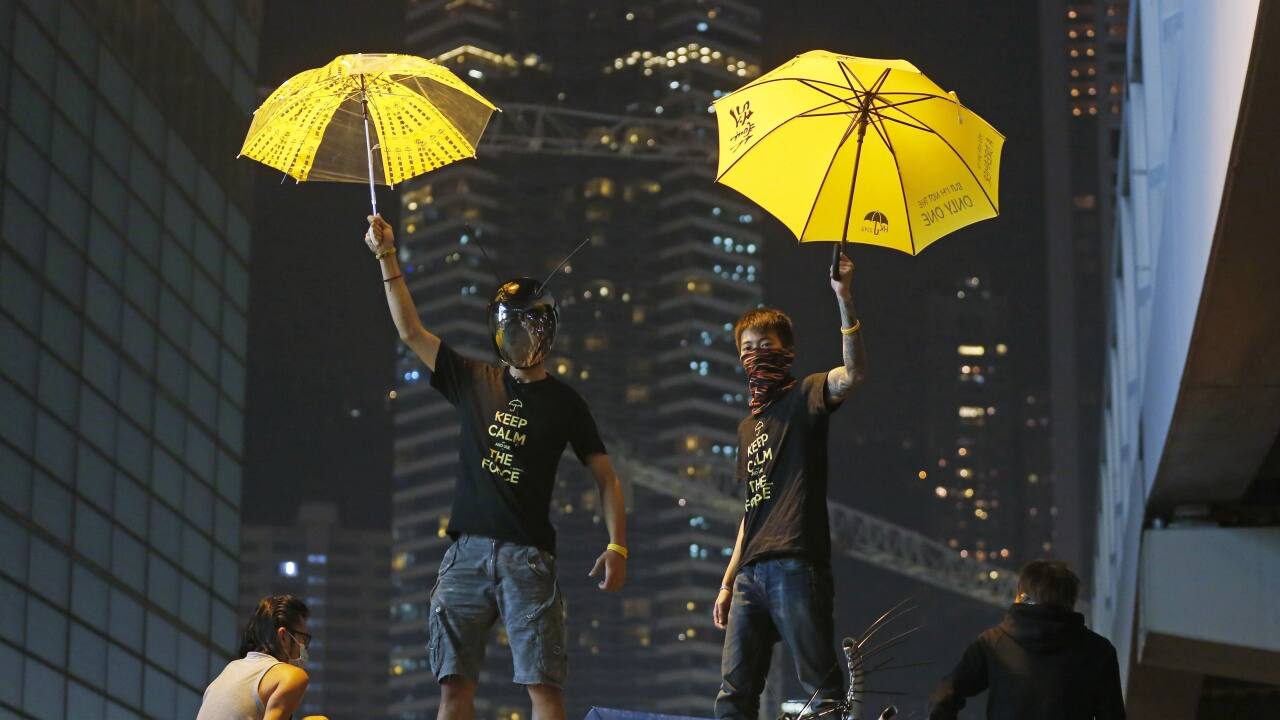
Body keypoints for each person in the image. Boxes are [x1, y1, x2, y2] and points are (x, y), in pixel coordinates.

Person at [363, 215, 628, 720]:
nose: (519, 335)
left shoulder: (565, 402)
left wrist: (617, 545)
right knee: (452, 689)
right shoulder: (472, 379)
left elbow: (605, 475)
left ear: (546, 330)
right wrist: (386, 255)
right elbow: (410, 331)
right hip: (465, 553)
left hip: (527, 556)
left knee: (543, 688)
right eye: (511, 325)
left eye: (529, 325)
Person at [713, 253, 867, 720]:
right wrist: (727, 581)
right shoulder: (747, 427)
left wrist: (844, 297)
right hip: (750, 575)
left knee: (819, 686)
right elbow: (751, 510)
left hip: (797, 563)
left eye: (765, 344)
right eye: (747, 347)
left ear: (786, 351)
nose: (755, 353)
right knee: (734, 693)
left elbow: (853, 375)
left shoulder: (806, 395)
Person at [928, 560, 1126, 720]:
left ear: (1021, 596)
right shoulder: (1099, 651)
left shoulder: (993, 643)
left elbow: (943, 697)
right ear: (1071, 600)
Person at [197, 595, 327, 720]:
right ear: (283, 637)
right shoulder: (291, 676)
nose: (304, 647)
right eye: (303, 639)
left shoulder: (228, 672)